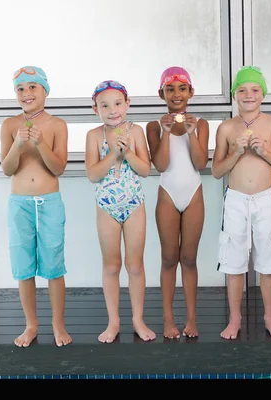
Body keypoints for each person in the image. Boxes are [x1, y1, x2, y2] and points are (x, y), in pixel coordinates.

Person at [211, 66, 271, 340]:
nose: (248, 94)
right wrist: (236, 152)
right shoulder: (226, 127)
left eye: (255, 90)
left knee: (268, 261)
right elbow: (216, 171)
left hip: (264, 199)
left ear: (263, 94)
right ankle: (235, 319)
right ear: (235, 94)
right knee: (234, 262)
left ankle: (270, 318)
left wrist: (264, 151)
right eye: (242, 90)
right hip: (235, 200)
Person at [0, 66, 71, 347]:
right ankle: (31, 325)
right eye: (20, 89)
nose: (26, 93)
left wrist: (41, 143)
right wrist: (18, 144)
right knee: (23, 267)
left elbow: (58, 168)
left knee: (54, 265)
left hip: (49, 201)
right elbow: (7, 169)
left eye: (32, 87)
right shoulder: (9, 126)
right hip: (19, 204)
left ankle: (57, 324)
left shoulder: (57, 125)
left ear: (45, 90)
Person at [85, 80, 156, 343]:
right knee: (112, 265)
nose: (112, 110)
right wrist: (113, 154)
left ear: (127, 104)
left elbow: (146, 170)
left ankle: (138, 319)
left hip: (134, 203)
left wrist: (126, 154)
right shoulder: (94, 136)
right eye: (104, 105)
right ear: (96, 109)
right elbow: (93, 174)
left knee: (135, 265)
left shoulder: (135, 131)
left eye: (117, 103)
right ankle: (113, 321)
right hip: (107, 205)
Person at [146, 66, 209, 339]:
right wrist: (167, 132)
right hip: (167, 194)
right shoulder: (154, 126)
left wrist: (191, 133)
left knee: (190, 258)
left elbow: (200, 163)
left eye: (182, 89)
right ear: (162, 93)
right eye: (170, 89)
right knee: (169, 257)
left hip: (193, 192)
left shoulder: (202, 123)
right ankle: (168, 318)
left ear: (190, 92)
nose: (176, 94)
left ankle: (192, 318)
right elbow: (160, 164)